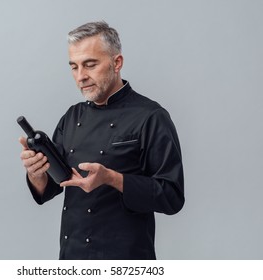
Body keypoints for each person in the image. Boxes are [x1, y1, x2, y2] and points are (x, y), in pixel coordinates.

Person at [19, 21, 184, 260]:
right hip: (72, 257)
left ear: (117, 63)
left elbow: (172, 196)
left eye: (90, 64)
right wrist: (37, 173)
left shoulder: (151, 116)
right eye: (74, 67)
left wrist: (112, 178)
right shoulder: (72, 116)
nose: (81, 76)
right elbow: (56, 184)